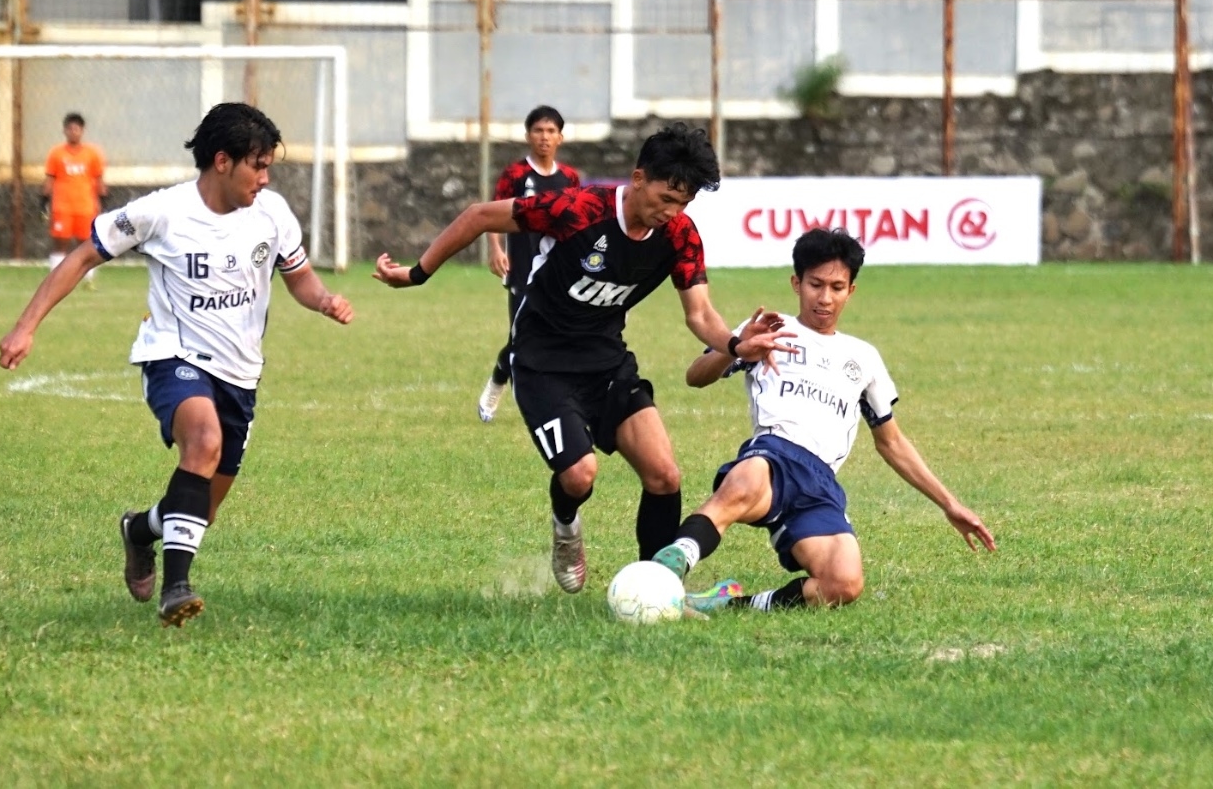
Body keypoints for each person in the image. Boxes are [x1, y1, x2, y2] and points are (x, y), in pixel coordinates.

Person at [374, 122, 792, 594]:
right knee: (579, 475)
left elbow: (699, 314)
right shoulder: (579, 209)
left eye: (683, 203)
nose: (672, 212)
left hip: (607, 363)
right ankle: (566, 526)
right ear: (638, 178)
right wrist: (417, 273)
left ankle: (656, 587)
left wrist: (735, 343)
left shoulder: (680, 236)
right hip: (541, 362)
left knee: (664, 475)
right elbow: (478, 216)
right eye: (666, 198)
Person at [0, 103, 355, 627]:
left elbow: (298, 276)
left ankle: (140, 529)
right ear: (222, 161)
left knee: (200, 508)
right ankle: (176, 590)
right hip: (173, 355)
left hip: (240, 372)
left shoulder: (273, 213)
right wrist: (25, 326)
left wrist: (323, 300)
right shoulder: (162, 212)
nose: (265, 177)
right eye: (257, 165)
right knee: (203, 442)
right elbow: (82, 256)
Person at [650, 228, 996, 614]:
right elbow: (695, 376)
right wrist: (739, 348)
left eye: (837, 287)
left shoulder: (864, 358)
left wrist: (950, 504)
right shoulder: (769, 329)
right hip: (774, 454)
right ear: (796, 283)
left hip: (820, 482)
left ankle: (728, 605)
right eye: (815, 284)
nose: (825, 297)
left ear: (851, 291)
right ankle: (667, 569)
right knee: (744, 483)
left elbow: (892, 442)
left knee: (843, 583)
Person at [478, 105, 581, 423]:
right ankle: (498, 382)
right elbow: (492, 213)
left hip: (559, 272)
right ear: (528, 136)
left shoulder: (570, 178)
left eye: (551, 131)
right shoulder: (515, 175)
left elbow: (578, 222)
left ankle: (562, 401)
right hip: (523, 269)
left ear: (560, 137)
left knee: (565, 336)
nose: (544, 137)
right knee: (522, 340)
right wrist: (496, 248)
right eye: (538, 130)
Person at [42, 112, 107, 284]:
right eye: (70, 129)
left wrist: (102, 202)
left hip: (86, 207)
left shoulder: (92, 154)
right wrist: (44, 202)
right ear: (64, 130)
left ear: (82, 131)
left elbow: (99, 181)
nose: (73, 132)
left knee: (87, 243)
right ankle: (56, 277)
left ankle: (88, 280)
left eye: (77, 129)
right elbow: (49, 180)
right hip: (62, 207)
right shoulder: (56, 153)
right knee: (60, 242)